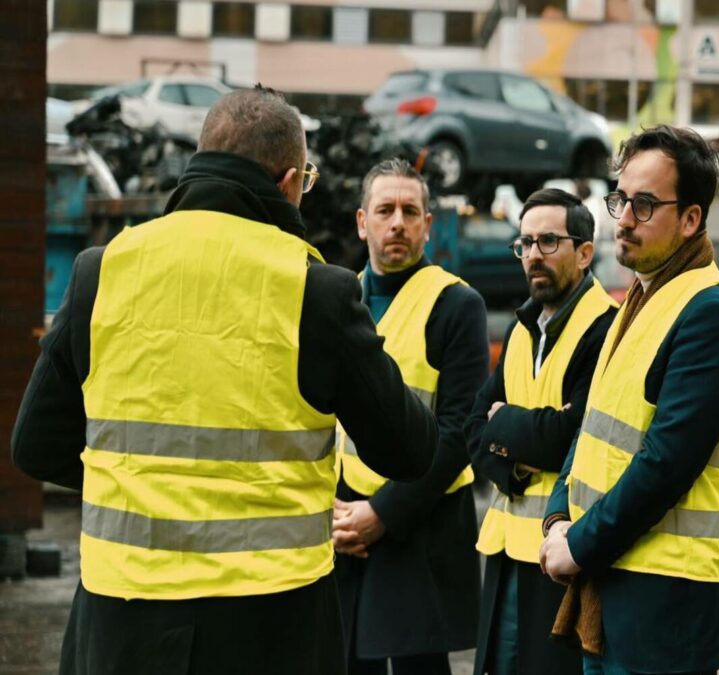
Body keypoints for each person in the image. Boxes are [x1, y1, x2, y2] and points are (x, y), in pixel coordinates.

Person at [10, 86, 437, 675]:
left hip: (121, 623)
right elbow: (411, 449)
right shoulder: (317, 289)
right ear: (290, 182)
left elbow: (35, 445)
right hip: (272, 627)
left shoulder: (102, 271)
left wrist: (143, 487)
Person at [539, 125, 719, 675]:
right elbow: (593, 428)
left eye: (644, 205)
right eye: (620, 200)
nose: (624, 220)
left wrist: (579, 544)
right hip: (617, 593)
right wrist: (558, 515)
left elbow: (665, 465)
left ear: (690, 220)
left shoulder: (710, 313)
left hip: (667, 610)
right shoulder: (640, 297)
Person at [333, 158, 488, 675]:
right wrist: (332, 511)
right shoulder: (338, 299)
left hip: (420, 523)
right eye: (384, 210)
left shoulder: (456, 304)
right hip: (342, 524)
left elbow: (460, 430)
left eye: (409, 210)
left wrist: (382, 514)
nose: (396, 222)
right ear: (362, 222)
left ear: (427, 224)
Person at [467, 189, 617, 675]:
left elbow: (571, 436)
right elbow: (474, 433)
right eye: (525, 242)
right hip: (507, 551)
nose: (533, 254)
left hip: (563, 555)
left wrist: (503, 424)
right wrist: (515, 460)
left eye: (549, 241)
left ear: (586, 252)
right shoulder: (521, 329)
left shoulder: (606, 331)